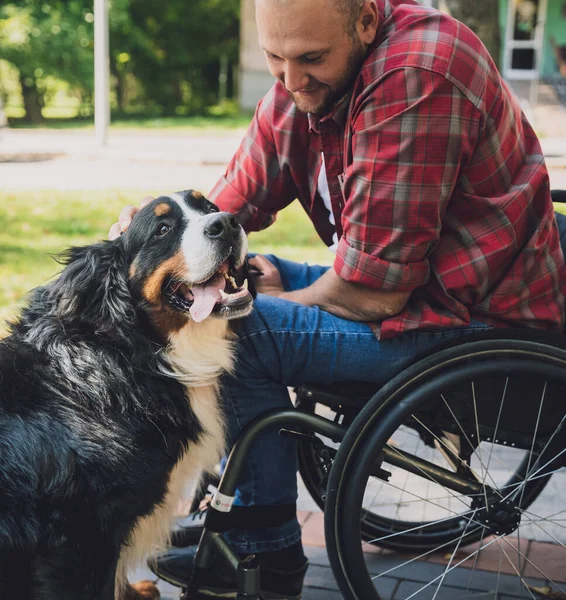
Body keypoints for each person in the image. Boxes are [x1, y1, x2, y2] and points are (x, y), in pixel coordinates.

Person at [110, 0, 566, 597]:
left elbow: (370, 292)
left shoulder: (417, 74)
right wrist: (159, 241)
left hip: (480, 322)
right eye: (275, 59)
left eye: (310, 59)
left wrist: (264, 301)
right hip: (422, 286)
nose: (291, 80)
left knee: (243, 325)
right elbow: (225, 209)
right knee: (252, 276)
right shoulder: (306, 82)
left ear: (367, 23)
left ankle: (262, 552)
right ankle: (235, 495)